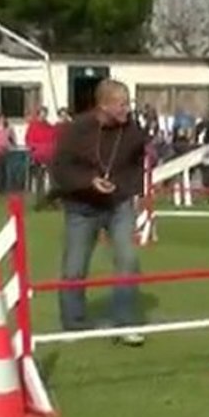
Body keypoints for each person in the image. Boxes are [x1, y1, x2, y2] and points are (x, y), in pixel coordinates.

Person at [49, 79, 148, 345]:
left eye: (129, 103)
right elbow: (60, 168)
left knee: (127, 259)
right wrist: (89, 181)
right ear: (103, 105)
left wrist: (131, 190)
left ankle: (125, 322)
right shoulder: (75, 130)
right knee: (74, 267)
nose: (127, 109)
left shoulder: (133, 131)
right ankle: (73, 323)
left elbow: (137, 164)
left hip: (119, 205)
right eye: (122, 104)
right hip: (81, 207)